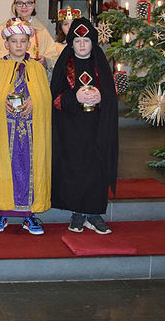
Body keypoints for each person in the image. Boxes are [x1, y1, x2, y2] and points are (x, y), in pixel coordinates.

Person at [50, 17, 119, 235]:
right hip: (71, 129)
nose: (81, 44)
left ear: (93, 42)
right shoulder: (64, 62)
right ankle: (77, 212)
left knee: (95, 168)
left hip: (97, 128)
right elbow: (54, 98)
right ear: (71, 42)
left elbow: (110, 94)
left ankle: (94, 213)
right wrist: (75, 97)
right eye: (77, 40)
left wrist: (101, 96)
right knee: (74, 168)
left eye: (86, 40)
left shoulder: (100, 62)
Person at [0, 18, 52, 236]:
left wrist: (35, 102)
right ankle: (2, 211)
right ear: (7, 44)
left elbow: (45, 96)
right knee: (4, 167)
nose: (19, 45)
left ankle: (29, 215)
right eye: (15, 41)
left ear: (29, 43)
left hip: (31, 131)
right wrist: (0, 99)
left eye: (23, 41)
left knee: (30, 169)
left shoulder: (37, 69)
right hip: (6, 129)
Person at [0, 0, 61, 69]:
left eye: (29, 3)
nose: (24, 7)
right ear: (14, 5)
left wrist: (45, 61)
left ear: (34, 5)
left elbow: (53, 56)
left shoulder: (41, 30)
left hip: (34, 78)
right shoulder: (4, 28)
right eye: (19, 3)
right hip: (8, 77)